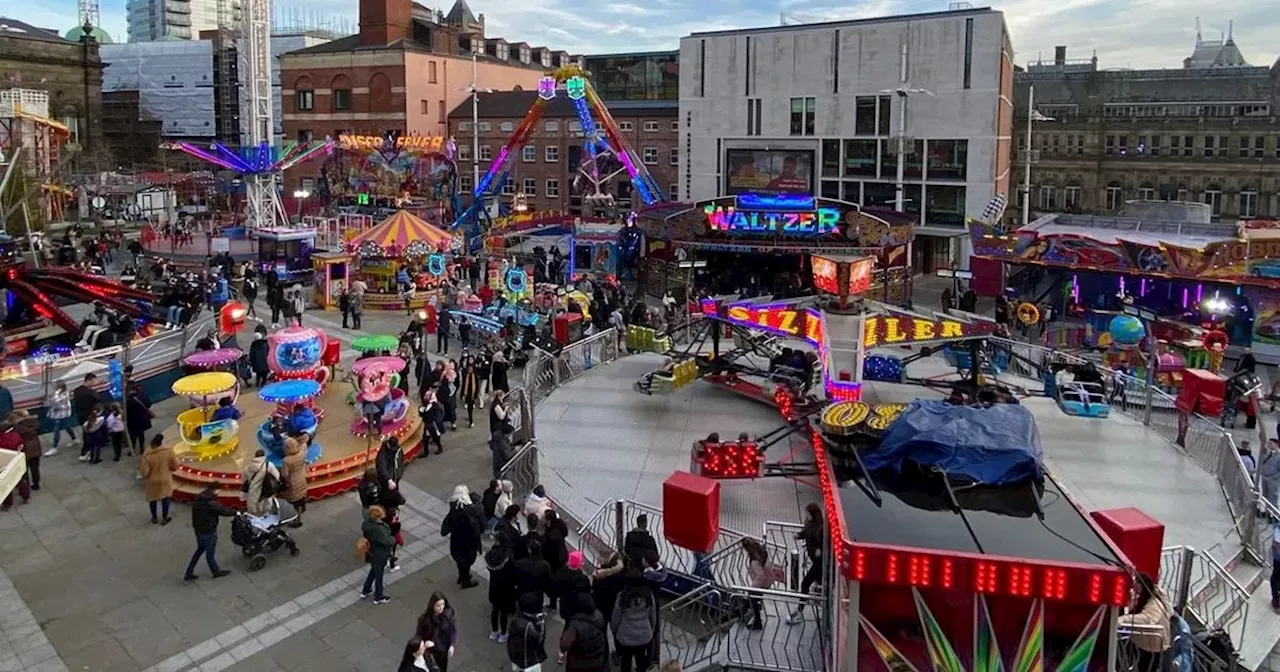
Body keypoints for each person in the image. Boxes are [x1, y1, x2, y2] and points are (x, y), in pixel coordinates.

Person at [1118, 574, 1172, 671]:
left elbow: (1148, 619)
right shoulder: (1143, 599)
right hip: (1142, 643)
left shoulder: (1155, 602)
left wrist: (1124, 619)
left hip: (1153, 647)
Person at [183, 485, 235, 581]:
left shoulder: (198, 499)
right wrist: (236, 513)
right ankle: (215, 571)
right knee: (210, 553)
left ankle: (188, 572)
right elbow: (223, 511)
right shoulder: (211, 503)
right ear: (215, 490)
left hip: (199, 530)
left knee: (199, 550)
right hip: (209, 530)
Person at [611, 575, 658, 672]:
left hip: (626, 636)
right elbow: (653, 615)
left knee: (626, 661)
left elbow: (616, 617)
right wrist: (651, 630)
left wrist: (614, 630)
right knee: (641, 660)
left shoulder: (622, 597)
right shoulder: (648, 596)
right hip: (644, 636)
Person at [788, 502, 824, 625]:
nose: (806, 515)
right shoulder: (810, 525)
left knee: (805, 583)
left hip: (819, 563)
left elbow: (824, 542)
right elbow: (806, 533)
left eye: (807, 513)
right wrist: (798, 535)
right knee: (818, 584)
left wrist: (821, 549)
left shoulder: (821, 528)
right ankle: (806, 609)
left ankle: (800, 611)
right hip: (815, 560)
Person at [441, 485, 484, 588]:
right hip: (468, 542)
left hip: (456, 541)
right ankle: (466, 580)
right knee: (467, 561)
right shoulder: (471, 511)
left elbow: (445, 529)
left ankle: (462, 576)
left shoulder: (453, 509)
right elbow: (478, 528)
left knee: (459, 560)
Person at [559, 593, 610, 672]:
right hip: (598, 659)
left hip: (579, 663)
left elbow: (564, 645)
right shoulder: (599, 616)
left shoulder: (575, 624)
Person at [360, 505, 395, 604]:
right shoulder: (379, 530)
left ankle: (366, 590)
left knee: (373, 571)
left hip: (371, 552)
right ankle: (378, 596)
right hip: (380, 554)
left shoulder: (366, 524)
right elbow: (387, 541)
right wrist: (393, 539)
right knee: (379, 576)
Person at [140, 434, 178, 524]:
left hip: (152, 481)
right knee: (166, 498)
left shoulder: (147, 455)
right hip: (165, 478)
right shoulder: (169, 451)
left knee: (152, 499)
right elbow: (175, 464)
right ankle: (165, 518)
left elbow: (145, 472)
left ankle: (154, 518)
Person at [415, 592, 458, 672]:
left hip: (443, 648)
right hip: (431, 651)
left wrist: (452, 644)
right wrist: (424, 644)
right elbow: (419, 636)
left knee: (443, 667)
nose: (441, 608)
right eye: (438, 605)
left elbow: (452, 629)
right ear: (432, 606)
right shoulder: (424, 620)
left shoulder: (448, 613)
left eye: (442, 604)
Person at [507, 593, 548, 672]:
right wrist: (541, 623)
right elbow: (539, 640)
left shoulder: (515, 619)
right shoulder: (529, 626)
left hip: (515, 657)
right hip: (529, 661)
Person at [486, 542, 517, 643]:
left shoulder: (491, 555)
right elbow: (512, 573)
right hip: (505, 587)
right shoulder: (508, 557)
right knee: (503, 612)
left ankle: (494, 631)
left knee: (495, 610)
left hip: (494, 586)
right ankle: (503, 633)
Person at [742, 538, 774, 629]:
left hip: (763, 583)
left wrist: (752, 588)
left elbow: (760, 576)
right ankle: (744, 610)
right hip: (769, 580)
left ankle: (757, 622)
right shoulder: (762, 552)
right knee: (753, 598)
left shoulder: (754, 560)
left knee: (753, 597)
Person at [552, 550, 592, 621]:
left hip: (564, 604)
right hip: (577, 607)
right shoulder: (583, 579)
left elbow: (555, 587)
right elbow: (587, 592)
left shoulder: (561, 572)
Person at [512, 538, 553, 606]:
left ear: (529, 550)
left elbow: (514, 580)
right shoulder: (545, 565)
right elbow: (549, 582)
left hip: (522, 594)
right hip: (538, 597)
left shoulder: (519, 563)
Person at [280, 435, 309, 528]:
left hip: (292, 482)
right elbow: (305, 442)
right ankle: (299, 516)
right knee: (300, 498)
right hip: (302, 477)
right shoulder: (302, 453)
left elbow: (285, 474)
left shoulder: (287, 460)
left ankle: (293, 518)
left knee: (293, 500)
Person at [240, 448, 280, 516]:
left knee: (253, 506)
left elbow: (244, 479)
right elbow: (277, 476)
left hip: (253, 490)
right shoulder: (268, 465)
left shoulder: (248, 467)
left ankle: (255, 518)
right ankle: (264, 517)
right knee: (265, 505)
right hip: (265, 489)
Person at [9, 411, 41, 491]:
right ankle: (36, 484)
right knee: (35, 468)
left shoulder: (18, 428)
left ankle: (26, 486)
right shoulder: (35, 423)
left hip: (24, 450)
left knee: (24, 470)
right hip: (36, 448)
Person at [45, 381, 76, 456]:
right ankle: (74, 439)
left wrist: (54, 395)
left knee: (56, 430)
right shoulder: (61, 393)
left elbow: (56, 402)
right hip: (62, 414)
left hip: (62, 414)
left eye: (56, 386)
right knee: (67, 426)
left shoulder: (64, 394)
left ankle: (54, 447)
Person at [126, 384, 154, 458]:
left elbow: (127, 411)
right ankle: (142, 448)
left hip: (133, 420)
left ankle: (132, 450)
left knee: (133, 436)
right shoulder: (144, 396)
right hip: (142, 419)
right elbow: (149, 404)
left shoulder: (130, 399)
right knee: (141, 435)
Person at [459, 353, 481, 428]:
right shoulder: (466, 376)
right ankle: (470, 418)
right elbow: (463, 385)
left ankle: (471, 419)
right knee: (469, 409)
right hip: (467, 394)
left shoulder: (475, 377)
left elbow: (477, 386)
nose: (469, 370)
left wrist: (476, 394)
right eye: (469, 369)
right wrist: (462, 394)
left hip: (472, 394)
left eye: (471, 369)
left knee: (470, 408)